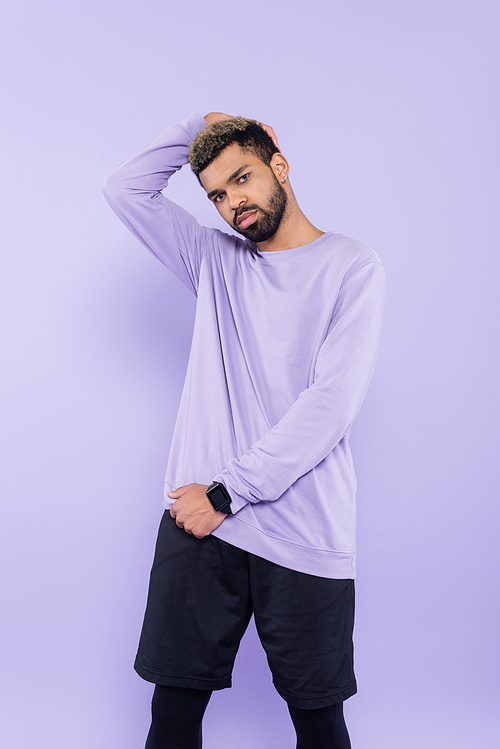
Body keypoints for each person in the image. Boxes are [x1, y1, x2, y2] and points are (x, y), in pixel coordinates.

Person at [103, 111, 385, 749]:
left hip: (299, 528)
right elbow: (125, 189)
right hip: (198, 525)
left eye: (243, 179)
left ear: (278, 166)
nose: (233, 203)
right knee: (172, 715)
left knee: (318, 723)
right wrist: (195, 125)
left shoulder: (351, 266)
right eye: (218, 195)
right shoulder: (213, 260)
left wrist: (228, 493)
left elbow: (331, 403)